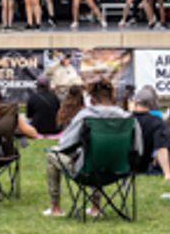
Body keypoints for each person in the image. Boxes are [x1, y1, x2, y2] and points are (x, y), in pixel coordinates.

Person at [42, 80, 140, 217]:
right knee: (95, 155)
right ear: (112, 97)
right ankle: (95, 207)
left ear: (93, 99)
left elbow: (65, 144)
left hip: (87, 172)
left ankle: (55, 207)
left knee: (52, 155)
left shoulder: (86, 116)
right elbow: (138, 148)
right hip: (120, 171)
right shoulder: (128, 118)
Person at [130, 86, 170, 183]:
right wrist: (167, 173)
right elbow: (161, 147)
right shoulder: (156, 122)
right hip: (144, 166)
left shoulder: (125, 119)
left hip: (124, 166)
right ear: (152, 104)